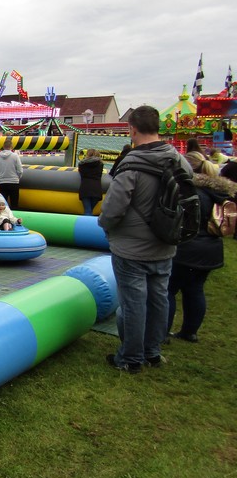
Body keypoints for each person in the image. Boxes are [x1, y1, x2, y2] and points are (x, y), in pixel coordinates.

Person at [98, 105, 193, 373]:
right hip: (165, 243)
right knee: (159, 299)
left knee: (133, 303)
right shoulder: (178, 160)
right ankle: (153, 351)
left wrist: (105, 227)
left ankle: (130, 357)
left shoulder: (131, 165)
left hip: (131, 247)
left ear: (133, 129)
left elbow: (113, 209)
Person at [167, 151, 236, 342]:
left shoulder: (190, 192)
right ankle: (190, 331)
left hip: (188, 248)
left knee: (169, 290)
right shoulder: (219, 192)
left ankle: (162, 331)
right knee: (195, 289)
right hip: (211, 248)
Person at [0, 139, 23, 209]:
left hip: (2, 183)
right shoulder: (15, 156)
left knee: (2, 205)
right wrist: (18, 177)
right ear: (11, 147)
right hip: (14, 182)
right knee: (14, 204)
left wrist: (0, 177)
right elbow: (20, 170)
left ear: (3, 146)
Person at [77, 148, 104, 216]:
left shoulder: (82, 164)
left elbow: (81, 173)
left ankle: (85, 225)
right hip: (96, 189)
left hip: (85, 188)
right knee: (90, 210)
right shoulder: (100, 164)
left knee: (88, 210)